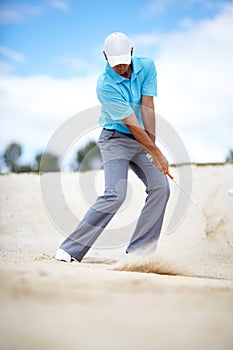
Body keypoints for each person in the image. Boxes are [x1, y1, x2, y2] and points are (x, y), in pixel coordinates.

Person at [55, 32, 170, 262]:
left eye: (124, 62)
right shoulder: (105, 85)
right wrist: (156, 153)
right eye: (115, 63)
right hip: (115, 139)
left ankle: (139, 254)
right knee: (115, 195)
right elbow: (132, 124)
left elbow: (147, 106)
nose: (121, 68)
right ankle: (69, 249)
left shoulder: (147, 66)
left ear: (132, 53)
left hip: (142, 140)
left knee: (161, 187)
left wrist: (152, 147)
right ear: (105, 56)